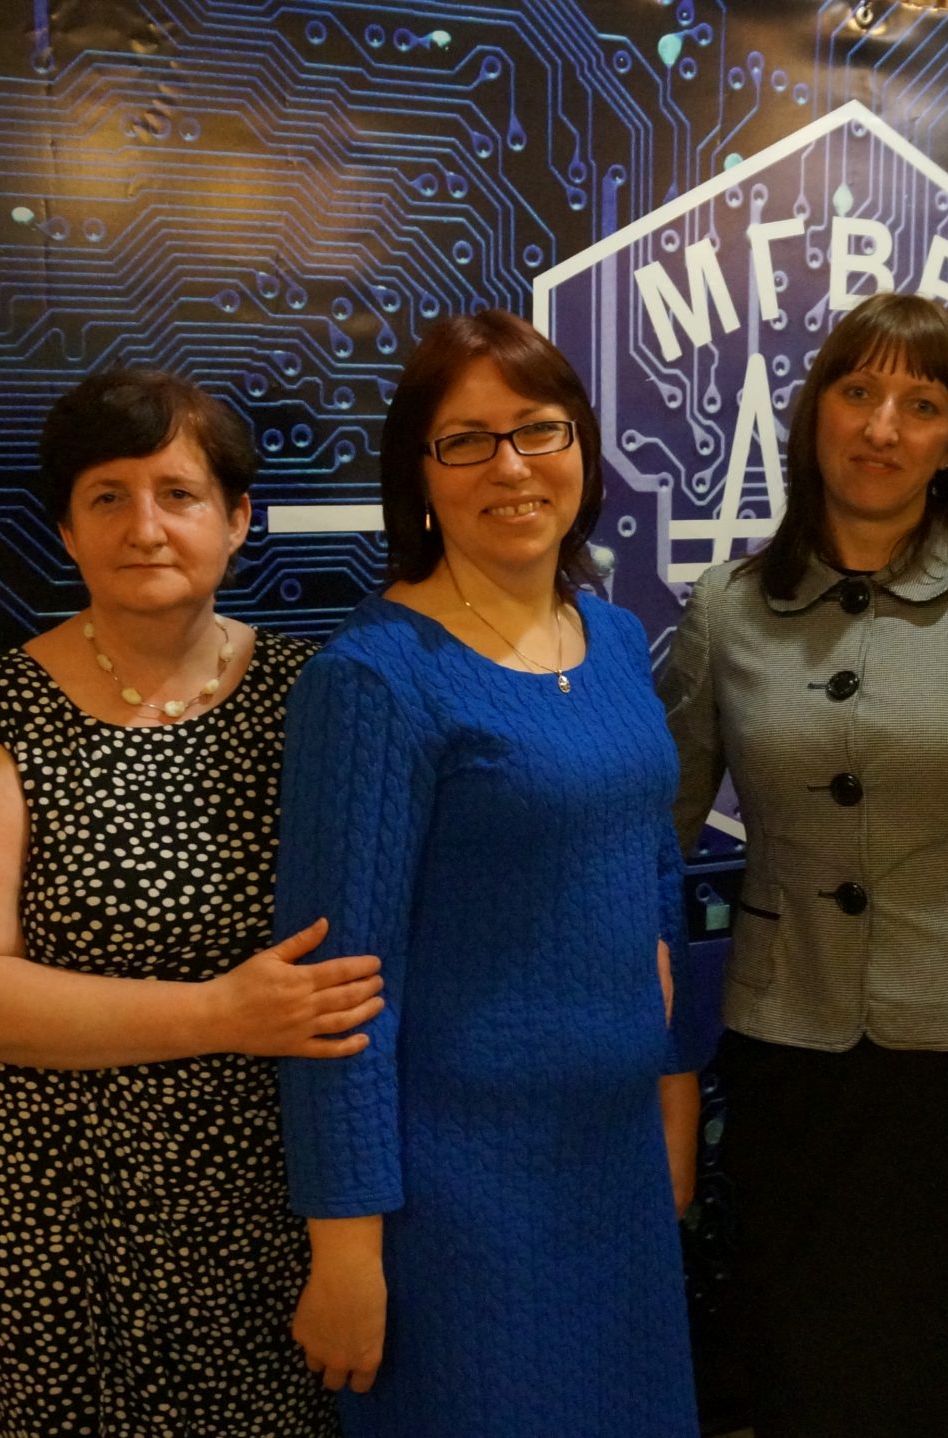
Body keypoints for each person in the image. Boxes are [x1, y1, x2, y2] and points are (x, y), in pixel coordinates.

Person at [658, 292, 948, 1436]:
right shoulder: (727, 607)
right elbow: (649, 844)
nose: (881, 427)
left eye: (921, 404)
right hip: (792, 1064)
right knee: (812, 1386)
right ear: (814, 413)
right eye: (857, 392)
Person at [0, 369, 382, 1437]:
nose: (145, 527)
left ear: (238, 519)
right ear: (66, 530)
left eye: (179, 493)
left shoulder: (320, 698)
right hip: (53, 1214)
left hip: (272, 1202)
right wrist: (220, 1013)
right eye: (107, 497)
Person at [273, 310, 701, 1438]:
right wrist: (345, 1247)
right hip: (460, 1199)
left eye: (537, 429)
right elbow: (334, 997)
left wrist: (672, 1097)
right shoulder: (373, 680)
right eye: (466, 441)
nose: (510, 467)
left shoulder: (612, 637)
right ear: (418, 476)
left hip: (613, 1162)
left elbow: (654, 873)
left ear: (581, 446)